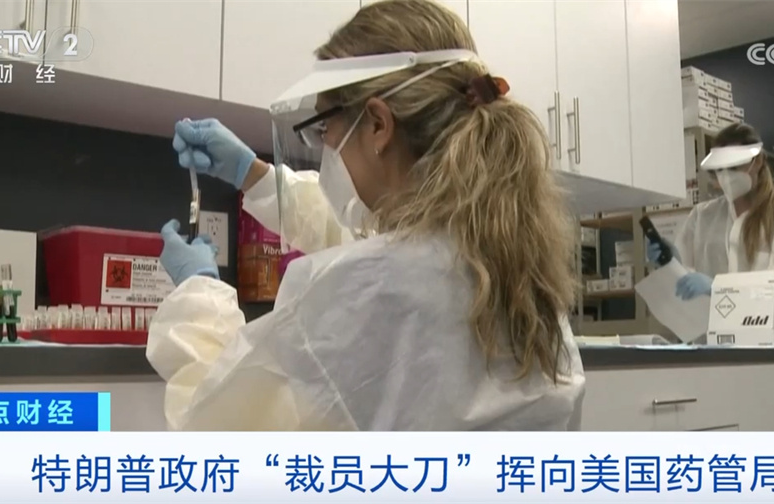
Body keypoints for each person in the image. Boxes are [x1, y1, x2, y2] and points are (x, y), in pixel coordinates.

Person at [147, 0, 585, 431]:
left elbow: (215, 429)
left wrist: (198, 295)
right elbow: (372, 245)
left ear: (378, 124)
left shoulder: (364, 295)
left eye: (325, 127)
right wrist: (256, 177)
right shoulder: (518, 273)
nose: (325, 145)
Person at [646, 123, 774, 346]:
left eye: (734, 167)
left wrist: (719, 288)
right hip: (717, 349)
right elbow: (686, 287)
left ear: (758, 161)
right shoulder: (703, 217)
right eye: (719, 169)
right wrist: (672, 263)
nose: (726, 176)